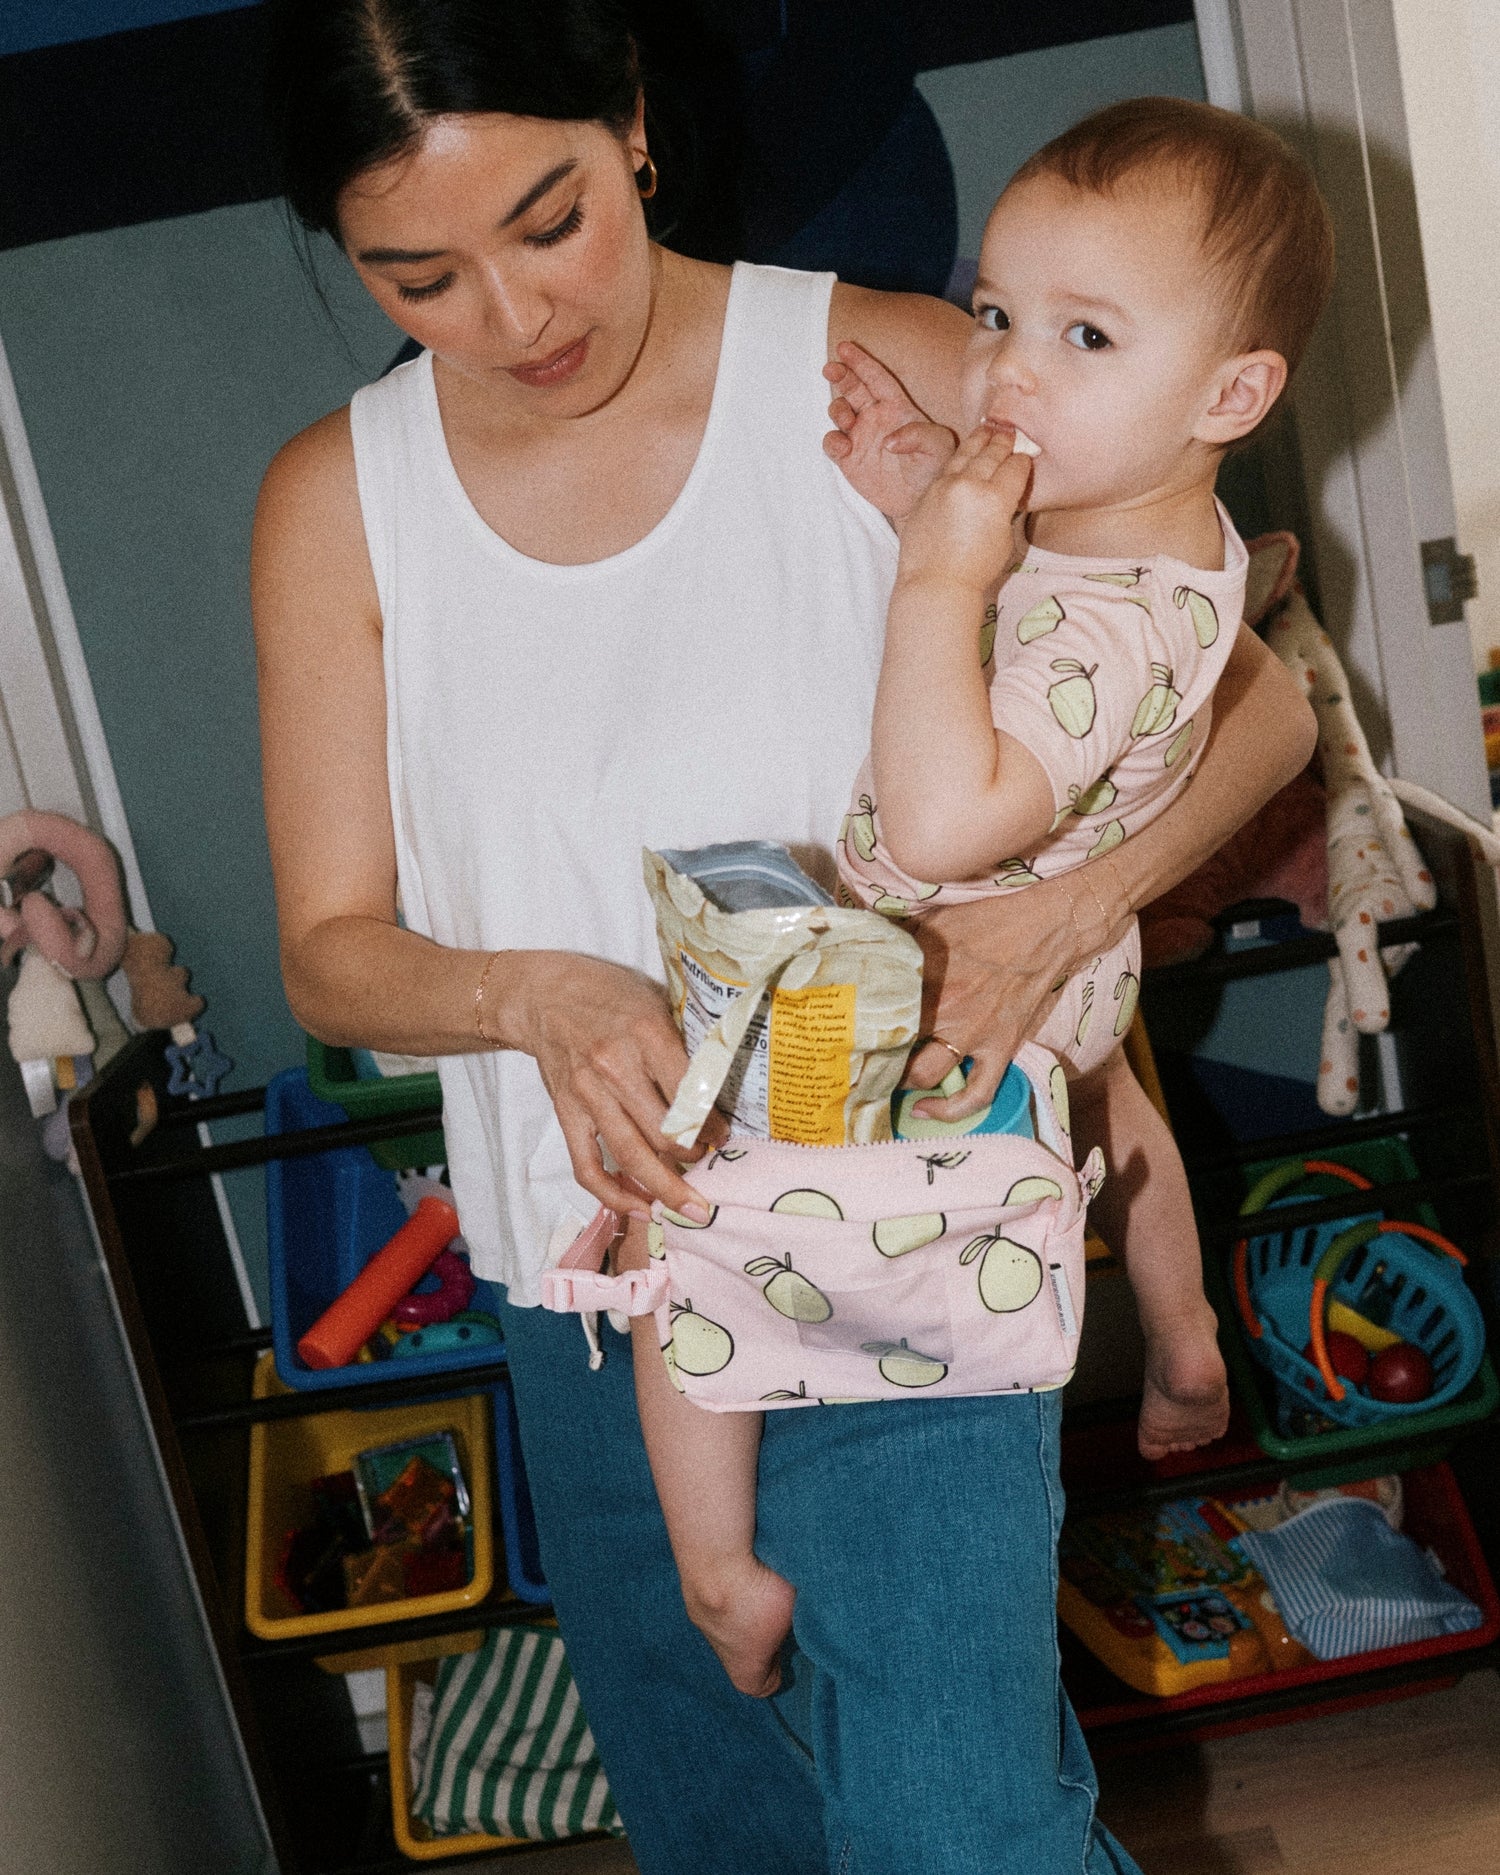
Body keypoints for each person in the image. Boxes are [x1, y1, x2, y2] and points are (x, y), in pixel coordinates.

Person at [254, 6, 1316, 1870]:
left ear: (636, 128)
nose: (512, 316)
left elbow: (1267, 713)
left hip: (910, 1230)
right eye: (415, 274)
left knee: (955, 1831)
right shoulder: (342, 500)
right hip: (599, 1293)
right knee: (734, 1832)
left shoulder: (893, 364)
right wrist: (540, 1000)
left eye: (550, 219)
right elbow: (334, 953)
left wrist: (1052, 919)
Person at [616, 96, 1335, 1705]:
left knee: (686, 1224)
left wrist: (936, 563)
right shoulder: (1158, 539)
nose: (1009, 365)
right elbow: (1048, 630)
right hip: (1067, 977)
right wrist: (924, 500)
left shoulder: (1099, 625)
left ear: (1232, 391)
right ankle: (1187, 1323)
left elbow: (946, 820)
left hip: (938, 993)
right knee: (1114, 1099)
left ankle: (718, 1574)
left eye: (1085, 336)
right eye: (1000, 311)